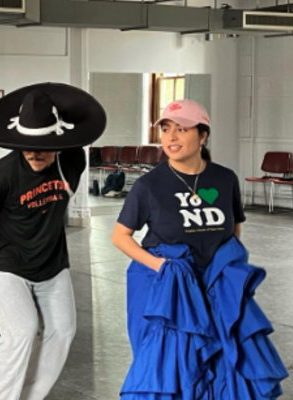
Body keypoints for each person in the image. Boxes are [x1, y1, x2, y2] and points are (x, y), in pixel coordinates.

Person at [112, 99, 288, 399]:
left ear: (203, 135)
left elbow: (233, 229)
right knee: (172, 365)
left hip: (214, 285)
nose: (171, 137)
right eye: (166, 129)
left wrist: (227, 269)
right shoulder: (149, 186)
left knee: (225, 358)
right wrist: (162, 267)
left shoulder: (224, 179)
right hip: (167, 287)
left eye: (182, 129)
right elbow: (121, 236)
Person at [0, 83, 107, 400]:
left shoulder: (71, 163)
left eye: (41, 146)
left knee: (64, 330)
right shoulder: (1, 175)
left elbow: (79, 133)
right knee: (21, 331)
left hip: (50, 262)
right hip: (6, 263)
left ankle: (31, 396)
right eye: (27, 146)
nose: (33, 153)